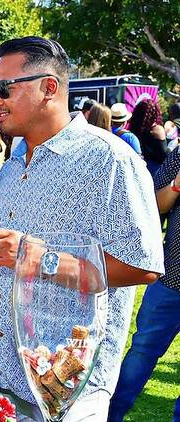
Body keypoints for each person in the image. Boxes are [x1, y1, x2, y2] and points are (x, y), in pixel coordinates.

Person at [0, 36, 163, 421]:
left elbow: (143, 266)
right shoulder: (12, 165)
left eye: (4, 88)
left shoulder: (110, 160)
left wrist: (34, 256)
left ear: (49, 88)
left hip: (67, 391)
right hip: (5, 379)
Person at [108, 147, 180, 422]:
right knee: (142, 350)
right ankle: (109, 415)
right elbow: (152, 207)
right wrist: (176, 186)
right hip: (172, 278)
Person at [129, 99, 167, 175]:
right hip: (154, 171)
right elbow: (164, 156)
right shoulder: (157, 130)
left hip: (136, 168)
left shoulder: (133, 129)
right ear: (155, 113)